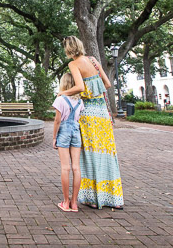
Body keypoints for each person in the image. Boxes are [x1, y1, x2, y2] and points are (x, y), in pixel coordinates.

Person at [59, 35, 124, 209]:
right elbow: (108, 83)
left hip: (88, 114)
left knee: (89, 152)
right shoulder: (93, 60)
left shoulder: (73, 64)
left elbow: (79, 87)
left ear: (67, 49)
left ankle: (93, 198)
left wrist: (62, 94)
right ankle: (113, 197)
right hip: (102, 112)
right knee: (107, 151)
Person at [52, 72, 83, 213]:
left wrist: (54, 137)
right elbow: (78, 118)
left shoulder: (60, 99)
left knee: (66, 168)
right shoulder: (80, 101)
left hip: (64, 132)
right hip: (76, 132)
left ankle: (65, 202)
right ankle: (74, 203)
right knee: (76, 167)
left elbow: (57, 120)